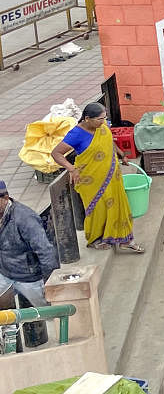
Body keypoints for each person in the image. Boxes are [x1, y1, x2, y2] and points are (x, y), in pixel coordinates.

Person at [50, 103, 144, 253]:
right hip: (91, 180)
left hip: (113, 175)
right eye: (100, 119)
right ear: (87, 119)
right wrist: (71, 169)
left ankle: (125, 240)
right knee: (97, 209)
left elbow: (109, 141)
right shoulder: (76, 134)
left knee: (119, 206)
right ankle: (95, 239)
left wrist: (121, 154)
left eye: (105, 118)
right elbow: (56, 153)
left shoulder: (102, 126)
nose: (104, 122)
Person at [0, 180, 60, 312]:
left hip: (29, 278)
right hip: (4, 273)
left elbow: (46, 251)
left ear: (5, 198)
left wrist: (50, 283)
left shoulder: (25, 218)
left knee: (49, 312)